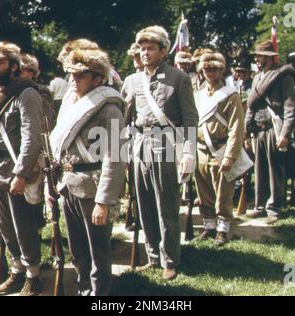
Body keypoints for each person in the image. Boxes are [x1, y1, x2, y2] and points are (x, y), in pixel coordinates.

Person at [121, 25, 198, 281]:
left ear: (163, 51)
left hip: (166, 145)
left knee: (166, 206)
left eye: (150, 48)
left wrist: (189, 153)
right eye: (141, 48)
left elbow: (189, 120)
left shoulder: (179, 79)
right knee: (144, 205)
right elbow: (123, 119)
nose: (144, 53)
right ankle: (153, 255)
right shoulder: (132, 80)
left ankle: (170, 260)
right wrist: (118, 153)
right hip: (139, 145)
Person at [50, 43, 125, 296]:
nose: (74, 80)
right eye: (72, 74)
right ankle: (84, 289)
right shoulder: (72, 102)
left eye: (80, 75)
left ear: (97, 78)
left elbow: (114, 158)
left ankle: (100, 295)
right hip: (68, 181)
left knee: (98, 252)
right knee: (77, 250)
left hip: (93, 186)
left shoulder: (110, 108)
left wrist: (104, 201)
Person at [0, 42, 44, 296]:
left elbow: (32, 137)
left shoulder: (27, 93)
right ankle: (16, 271)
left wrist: (21, 173)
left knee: (23, 226)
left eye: (0, 63)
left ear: (14, 66)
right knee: (5, 227)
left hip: (15, 167)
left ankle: (33, 275)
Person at [193, 53, 245, 246]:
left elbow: (237, 127)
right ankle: (209, 226)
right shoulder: (197, 95)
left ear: (222, 70)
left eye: (214, 69)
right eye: (206, 69)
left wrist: (230, 156)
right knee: (203, 192)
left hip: (221, 148)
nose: (210, 73)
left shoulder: (231, 95)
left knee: (223, 193)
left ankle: (223, 230)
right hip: (200, 149)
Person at [245, 41, 295, 224]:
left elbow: (290, 107)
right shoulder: (257, 77)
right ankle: (260, 205)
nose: (256, 59)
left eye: (259, 55)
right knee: (260, 169)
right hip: (259, 129)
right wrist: (247, 129)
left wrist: (285, 133)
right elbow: (250, 107)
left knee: (275, 169)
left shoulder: (284, 77)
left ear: (268, 56)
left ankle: (274, 206)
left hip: (274, 128)